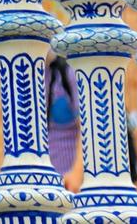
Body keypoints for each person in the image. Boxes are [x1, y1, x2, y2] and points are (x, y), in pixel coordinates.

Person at [47, 55, 84, 190]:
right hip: (48, 181)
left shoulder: (68, 73)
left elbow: (87, 128)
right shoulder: (32, 78)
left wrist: (76, 173)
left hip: (69, 180)